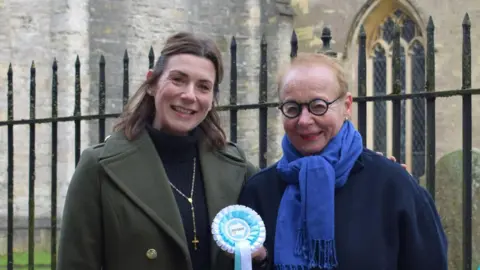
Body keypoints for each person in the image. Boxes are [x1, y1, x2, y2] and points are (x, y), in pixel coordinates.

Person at [57, 32, 259, 270]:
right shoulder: (99, 167)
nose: (189, 95)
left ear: (212, 99)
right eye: (178, 79)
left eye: (203, 86)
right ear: (152, 83)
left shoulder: (237, 168)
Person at [239, 52, 448, 270]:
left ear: (347, 106)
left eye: (318, 106)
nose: (304, 120)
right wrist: (262, 261)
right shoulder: (260, 191)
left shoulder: (394, 185)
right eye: (292, 108)